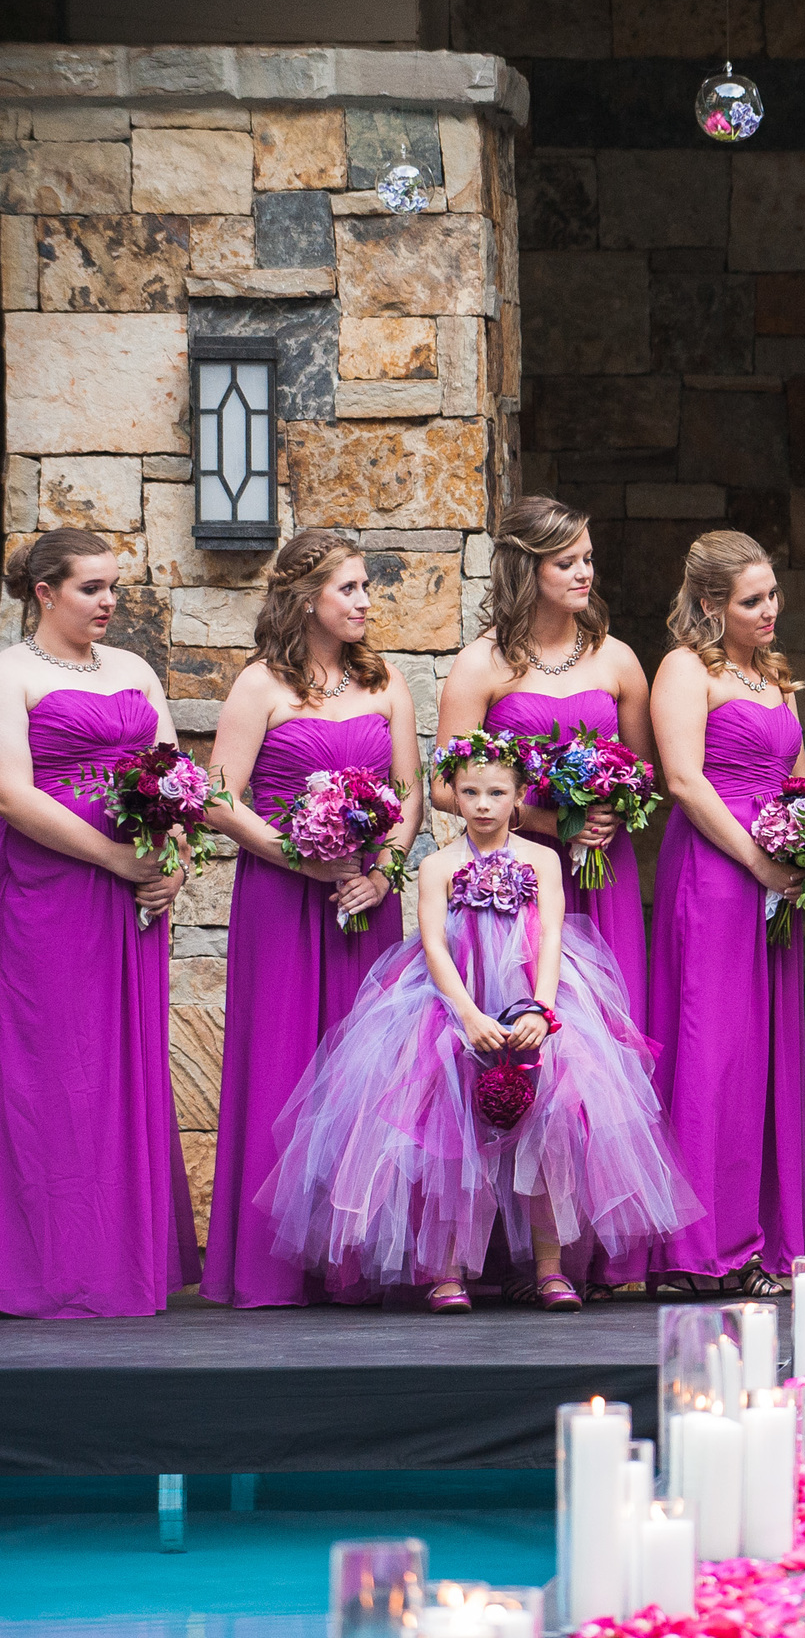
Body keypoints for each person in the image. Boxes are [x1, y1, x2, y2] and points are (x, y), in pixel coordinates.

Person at [259, 732, 697, 1312]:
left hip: (530, 1001)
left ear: (519, 797)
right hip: (452, 1005)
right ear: (454, 796)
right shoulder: (438, 864)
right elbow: (435, 945)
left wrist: (543, 1008)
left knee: (548, 1129)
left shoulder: (542, 859)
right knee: (447, 1131)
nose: (484, 804)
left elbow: (553, 938)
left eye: (497, 792)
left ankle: (549, 1267)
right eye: (470, 792)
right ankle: (445, 1270)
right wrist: (466, 1016)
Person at [202, 532, 422, 1308]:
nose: (365, 602)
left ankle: (354, 1261)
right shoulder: (260, 685)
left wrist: (383, 872)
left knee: (369, 1070)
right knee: (284, 1058)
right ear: (307, 600)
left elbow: (410, 792)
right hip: (282, 899)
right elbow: (218, 797)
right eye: (351, 589)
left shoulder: (387, 681)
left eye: (366, 589)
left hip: (367, 900)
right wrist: (301, 857)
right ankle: (275, 1268)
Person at [0, 529, 198, 1318]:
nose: (110, 601)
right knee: (54, 1073)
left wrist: (173, 861)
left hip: (135, 905)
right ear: (44, 593)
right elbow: (13, 795)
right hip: (49, 895)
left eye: (114, 586)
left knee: (125, 1071)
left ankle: (123, 1263)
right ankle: (49, 1270)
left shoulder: (135, 670)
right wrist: (115, 860)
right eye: (91, 587)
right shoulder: (11, 672)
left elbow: (177, 778)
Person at [645, 531, 805, 1298]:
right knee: (710, 1047)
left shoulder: (774, 675)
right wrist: (756, 858)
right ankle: (691, 1248)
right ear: (712, 604)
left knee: (764, 1054)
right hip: (717, 870)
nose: (769, 609)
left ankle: (755, 1241)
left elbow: (801, 777)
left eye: (773, 594)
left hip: (776, 878)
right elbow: (682, 779)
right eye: (752, 600)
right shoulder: (686, 669)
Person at [437, 496, 654, 1024]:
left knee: (609, 1024)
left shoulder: (617, 658)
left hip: (602, 869)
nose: (585, 573)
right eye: (566, 563)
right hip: (513, 868)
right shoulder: (480, 665)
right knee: (520, 1021)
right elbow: (445, 787)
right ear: (526, 572)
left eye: (588, 558)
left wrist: (614, 808)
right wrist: (546, 820)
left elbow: (645, 772)